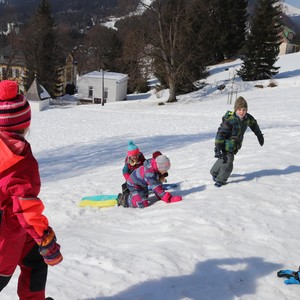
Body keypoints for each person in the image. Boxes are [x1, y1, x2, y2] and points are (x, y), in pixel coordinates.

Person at [0, 80, 63, 300]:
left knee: (34, 260)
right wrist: (46, 240)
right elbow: (26, 208)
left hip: (11, 228)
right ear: (24, 125)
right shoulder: (19, 161)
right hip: (3, 242)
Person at [210, 96, 264, 187]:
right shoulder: (230, 119)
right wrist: (218, 147)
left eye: (244, 109)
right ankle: (221, 180)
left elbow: (254, 125)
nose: (242, 112)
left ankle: (214, 172)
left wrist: (259, 135)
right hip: (226, 144)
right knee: (229, 162)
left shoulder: (248, 118)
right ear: (235, 110)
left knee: (224, 158)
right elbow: (221, 133)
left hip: (235, 145)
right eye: (239, 109)